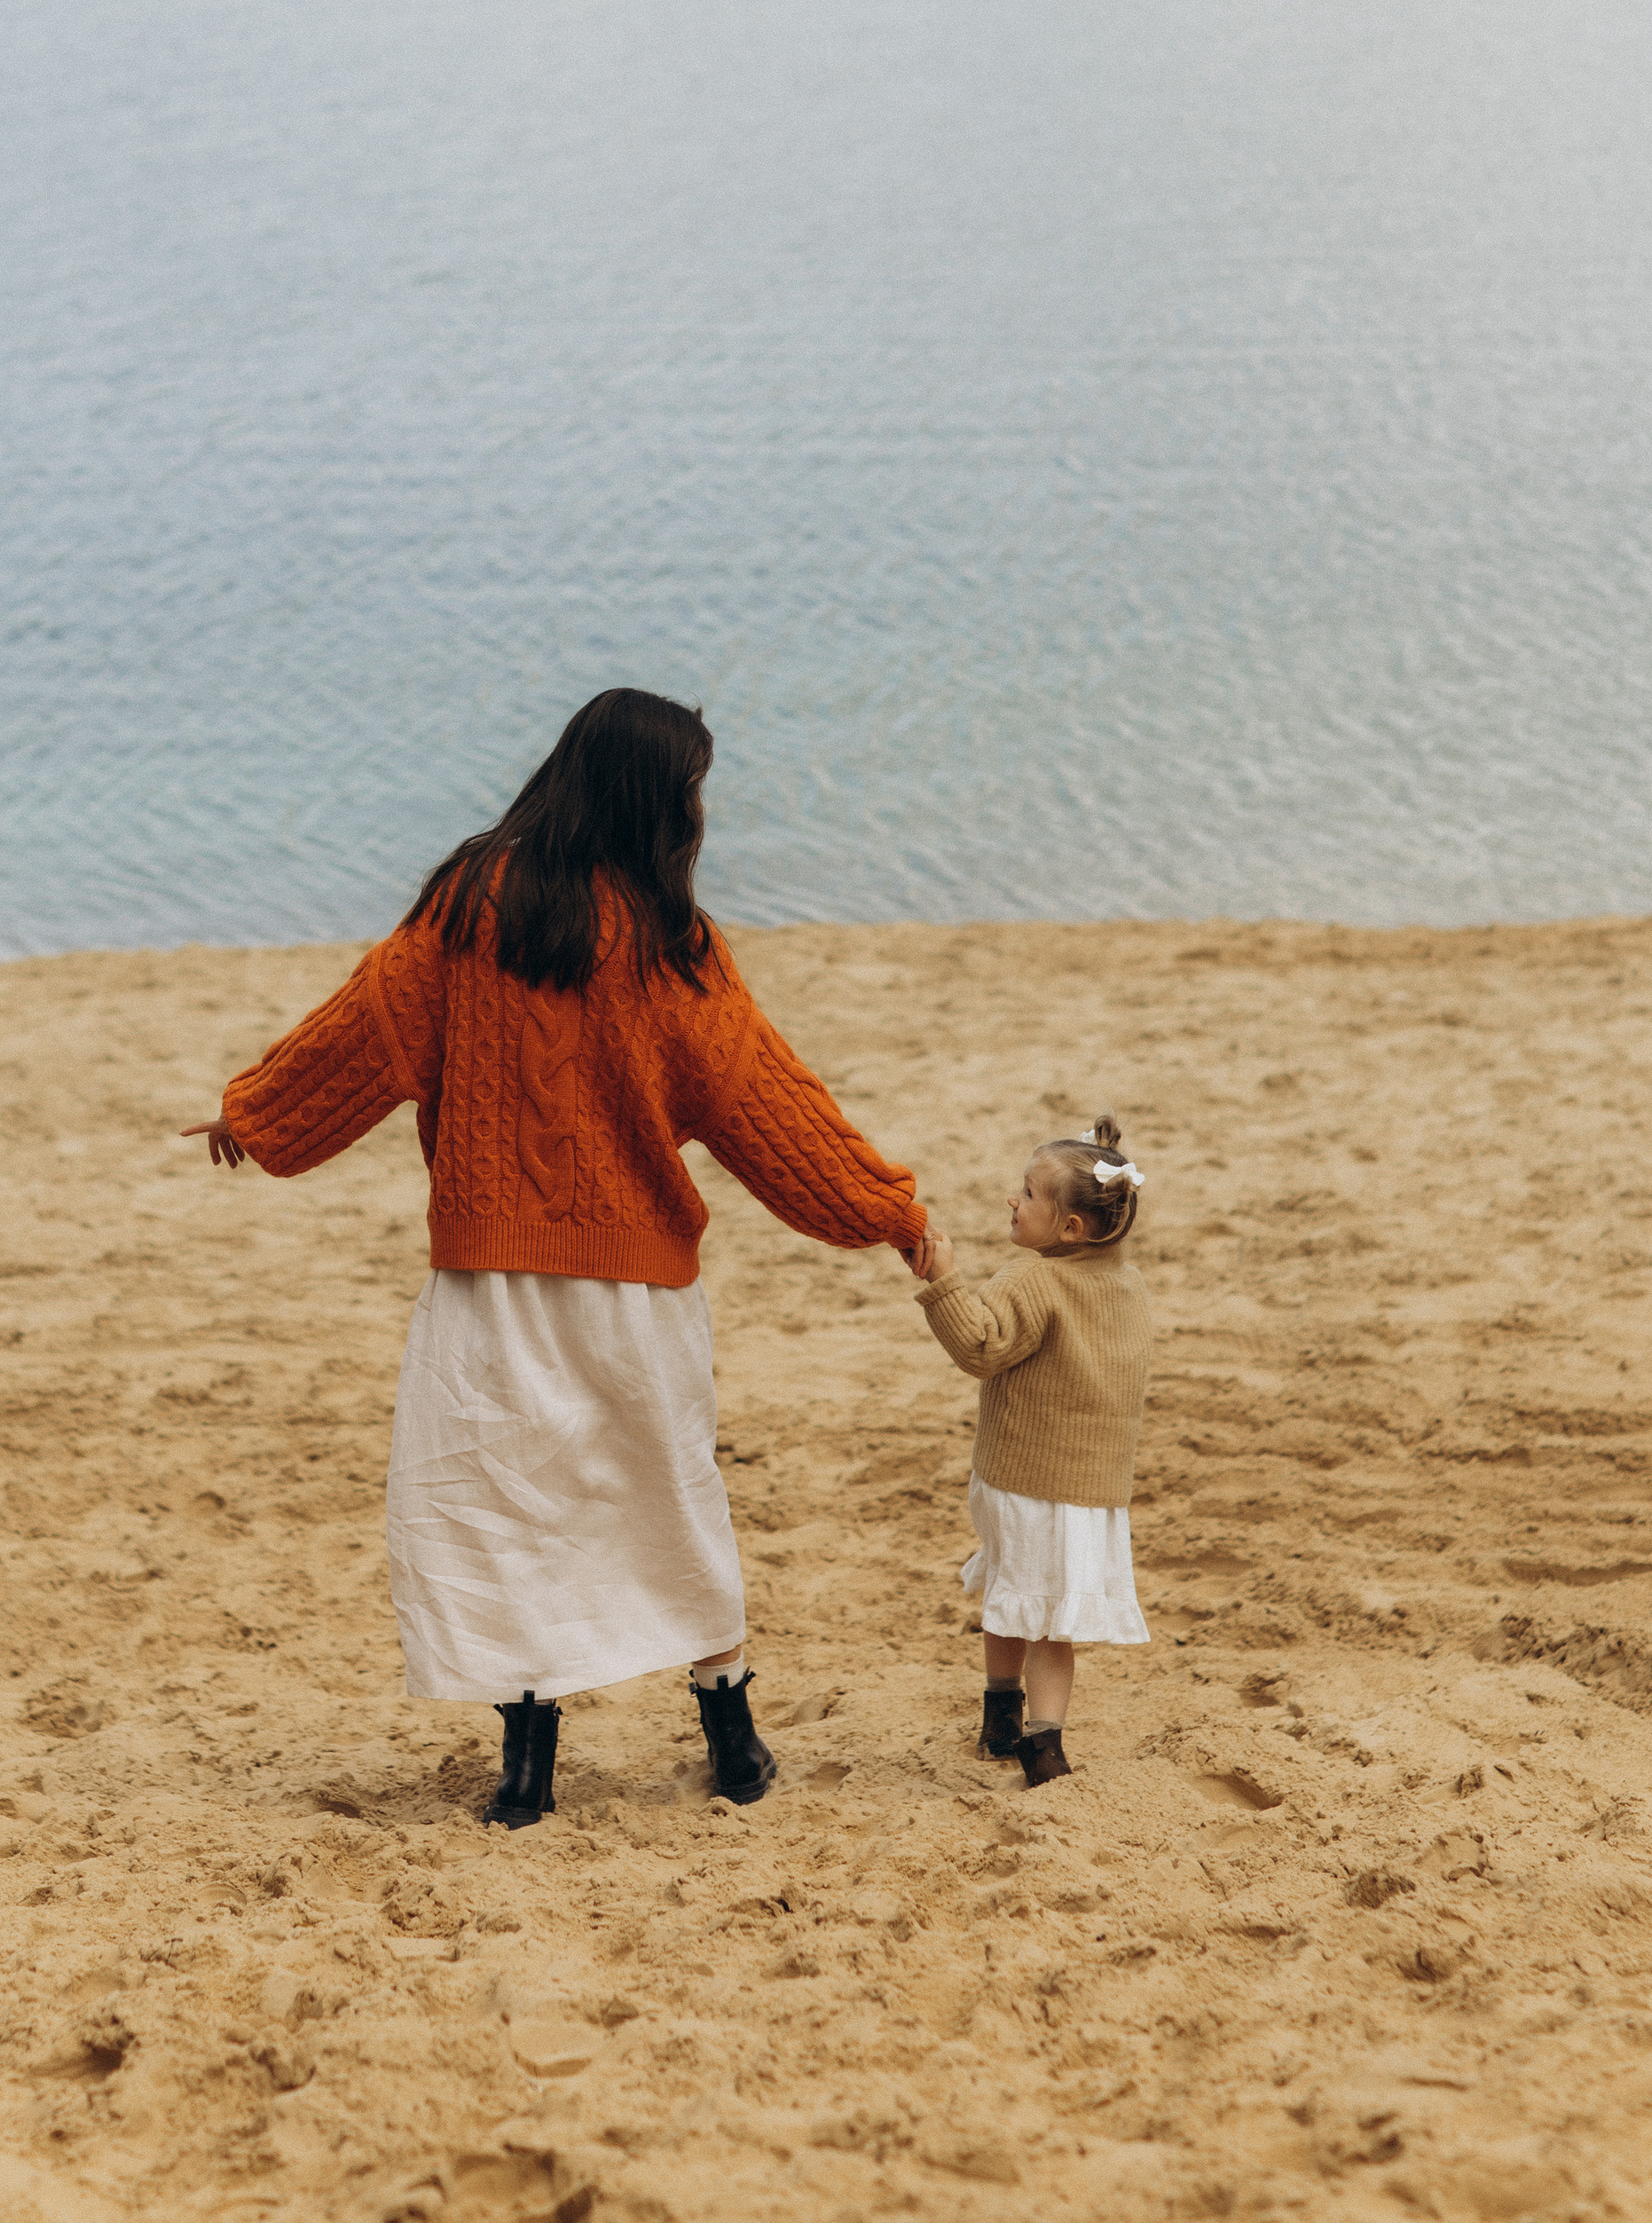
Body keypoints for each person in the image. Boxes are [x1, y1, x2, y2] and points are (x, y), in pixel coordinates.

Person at [185, 690, 929, 1828]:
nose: (696, 811)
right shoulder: (673, 942)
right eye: (688, 790)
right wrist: (883, 1208)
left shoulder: (469, 903)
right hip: (635, 1288)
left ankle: (527, 1767)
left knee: (504, 1508)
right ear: (651, 798)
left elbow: (365, 1028)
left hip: (491, 1282)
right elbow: (762, 1103)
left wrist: (260, 1115)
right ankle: (731, 1740)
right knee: (671, 1498)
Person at [909, 1117, 1151, 1785]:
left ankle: (1015, 1725)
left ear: (1070, 1227)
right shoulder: (1128, 1286)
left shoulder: (1032, 1279)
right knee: (1041, 1609)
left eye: (1028, 1193)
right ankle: (1025, 1734)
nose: (1012, 1201)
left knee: (1017, 1598)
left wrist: (944, 1283)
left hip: (1022, 1480)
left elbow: (980, 1348)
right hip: (1093, 1489)